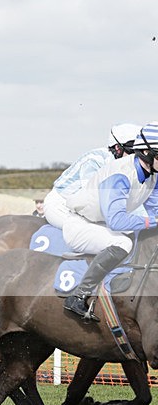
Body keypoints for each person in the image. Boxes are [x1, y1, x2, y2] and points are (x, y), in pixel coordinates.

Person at [61, 121, 158, 320]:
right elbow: (116, 221)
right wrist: (151, 222)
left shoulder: (152, 174)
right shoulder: (120, 174)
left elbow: (155, 209)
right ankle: (78, 295)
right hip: (82, 225)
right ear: (146, 153)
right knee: (123, 243)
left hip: (102, 225)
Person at [43, 123, 141, 229]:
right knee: (93, 233)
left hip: (86, 211)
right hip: (61, 206)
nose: (136, 157)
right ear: (118, 148)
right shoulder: (95, 160)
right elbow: (92, 199)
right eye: (133, 152)